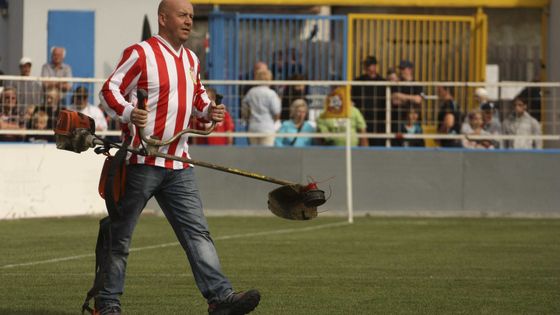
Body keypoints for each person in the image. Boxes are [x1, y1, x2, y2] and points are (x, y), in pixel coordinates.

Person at [97, 1, 261, 314]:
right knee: (120, 236)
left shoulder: (190, 59)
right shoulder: (141, 52)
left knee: (197, 233)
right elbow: (109, 91)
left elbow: (199, 96)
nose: (189, 21)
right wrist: (131, 112)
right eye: (182, 15)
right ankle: (107, 303)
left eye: (191, 16)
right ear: (163, 18)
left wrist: (209, 109)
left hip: (179, 162)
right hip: (141, 160)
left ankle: (221, 298)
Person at [351, 56, 386, 146]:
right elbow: (353, 100)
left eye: (370, 65)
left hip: (378, 121)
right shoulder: (358, 81)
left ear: (375, 66)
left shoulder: (383, 82)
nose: (367, 67)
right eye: (366, 65)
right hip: (362, 120)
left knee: (378, 146)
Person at [241, 68, 281, 146]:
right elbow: (276, 112)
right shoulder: (271, 93)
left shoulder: (251, 92)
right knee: (266, 154)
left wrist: (248, 118)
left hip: (253, 127)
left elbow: (244, 108)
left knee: (254, 154)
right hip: (267, 127)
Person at [391, 60, 423, 142]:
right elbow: (394, 99)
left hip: (413, 124)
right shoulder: (397, 84)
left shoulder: (417, 85)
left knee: (416, 145)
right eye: (400, 69)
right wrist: (411, 98)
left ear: (410, 70)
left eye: (403, 69)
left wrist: (402, 97)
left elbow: (418, 100)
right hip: (398, 121)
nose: (401, 71)